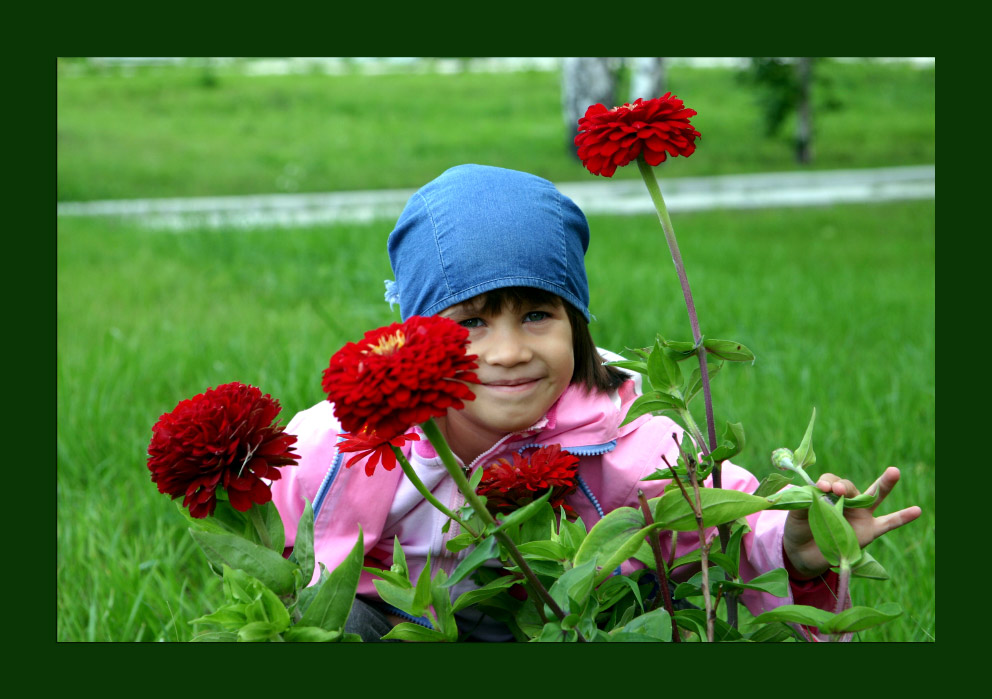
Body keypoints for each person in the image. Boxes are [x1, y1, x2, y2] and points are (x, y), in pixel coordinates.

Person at [270, 164, 921, 641]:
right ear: (413, 338)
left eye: (535, 315)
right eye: (469, 323)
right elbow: (278, 543)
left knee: (667, 612)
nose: (506, 351)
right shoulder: (342, 441)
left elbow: (725, 525)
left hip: (574, 621)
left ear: (576, 325)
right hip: (413, 623)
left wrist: (797, 545)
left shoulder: (621, 430)